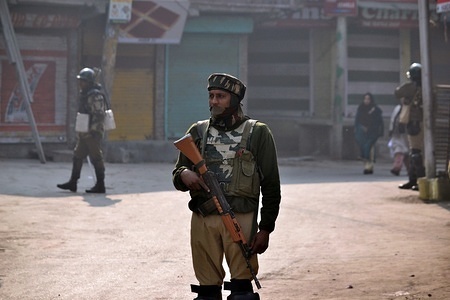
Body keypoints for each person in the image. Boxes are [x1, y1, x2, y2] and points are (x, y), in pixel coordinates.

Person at [172, 73, 281, 300]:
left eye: (220, 96)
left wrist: (266, 228)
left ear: (234, 99)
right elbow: (177, 173)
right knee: (207, 293)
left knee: (242, 292)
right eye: (211, 96)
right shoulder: (198, 131)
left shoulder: (258, 132)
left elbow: (271, 184)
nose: (214, 101)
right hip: (204, 218)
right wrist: (185, 174)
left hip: (241, 219)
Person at [57, 67, 107, 193]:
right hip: (85, 132)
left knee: (96, 157)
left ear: (89, 82)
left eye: (83, 81)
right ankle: (73, 182)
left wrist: (93, 132)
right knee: (78, 155)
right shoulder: (85, 94)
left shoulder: (95, 95)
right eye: (80, 81)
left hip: (93, 132)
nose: (80, 83)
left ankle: (100, 185)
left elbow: (99, 114)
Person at [394, 63, 424, 191]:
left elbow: (397, 93)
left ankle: (419, 181)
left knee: (416, 153)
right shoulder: (427, 87)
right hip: (424, 123)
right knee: (415, 153)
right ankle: (414, 180)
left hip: (415, 123)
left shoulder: (409, 87)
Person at [354, 92, 384, 174]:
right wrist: (359, 128)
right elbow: (357, 119)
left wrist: (373, 129)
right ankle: (367, 166)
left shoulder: (375, 110)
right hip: (362, 132)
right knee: (364, 148)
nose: (366, 101)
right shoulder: (361, 108)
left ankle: (369, 166)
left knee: (369, 148)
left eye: (368, 99)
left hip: (372, 132)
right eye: (365, 99)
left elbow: (379, 122)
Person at [388, 103, 409, 176]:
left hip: (406, 134)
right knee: (399, 151)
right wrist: (391, 130)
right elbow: (393, 120)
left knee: (406, 153)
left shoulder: (409, 107)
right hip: (397, 133)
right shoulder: (398, 108)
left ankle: (409, 170)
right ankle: (397, 168)